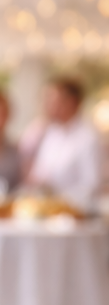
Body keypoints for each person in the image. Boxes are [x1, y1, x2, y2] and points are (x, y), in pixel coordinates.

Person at [23, 77, 102, 207]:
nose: (46, 105)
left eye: (52, 100)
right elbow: (40, 172)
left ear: (71, 102)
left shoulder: (89, 138)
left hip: (76, 211)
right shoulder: (51, 132)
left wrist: (59, 200)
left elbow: (92, 185)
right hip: (44, 207)